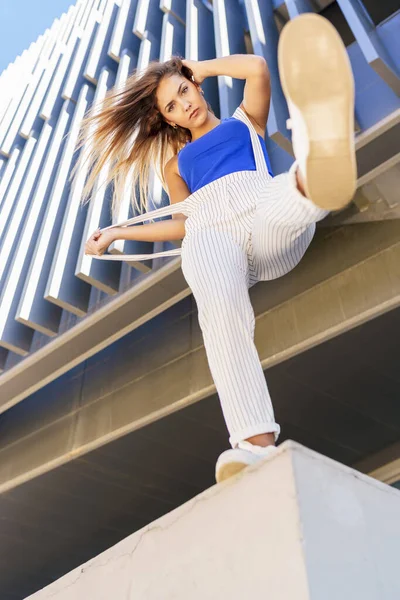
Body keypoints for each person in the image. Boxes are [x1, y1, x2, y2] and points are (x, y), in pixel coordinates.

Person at [79, 14, 356, 483]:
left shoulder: (244, 122)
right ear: (166, 120)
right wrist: (117, 233)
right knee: (212, 291)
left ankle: (314, 177)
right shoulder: (176, 164)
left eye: (183, 91)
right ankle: (254, 442)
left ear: (196, 87)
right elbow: (181, 224)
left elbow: (258, 69)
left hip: (266, 213)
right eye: (171, 106)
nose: (182, 104)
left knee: (279, 196)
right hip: (214, 232)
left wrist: (201, 65)